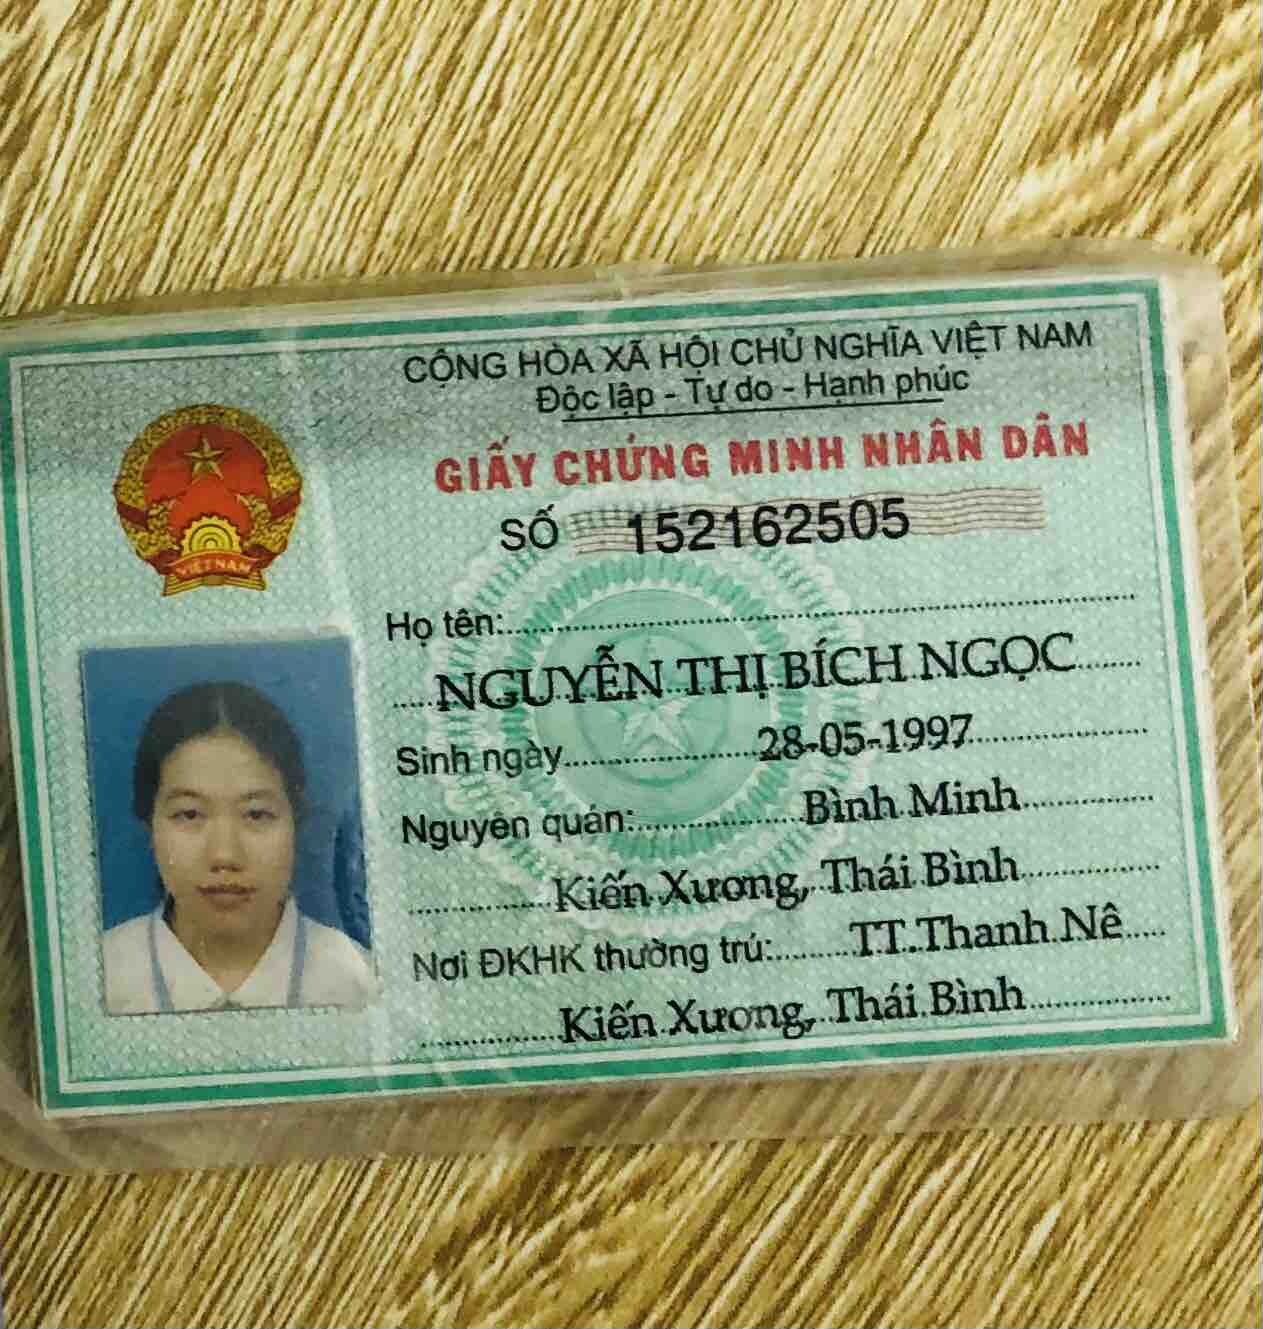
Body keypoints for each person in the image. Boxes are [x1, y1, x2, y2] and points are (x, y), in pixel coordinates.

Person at [103, 681, 373, 1013]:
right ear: (150, 824)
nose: (225, 855)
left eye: (256, 814)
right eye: (189, 814)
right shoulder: (97, 981)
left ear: (296, 821)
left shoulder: (361, 985)